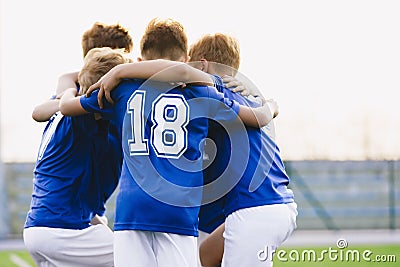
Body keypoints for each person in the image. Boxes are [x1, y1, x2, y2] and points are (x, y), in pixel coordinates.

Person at [59, 17, 278, 267]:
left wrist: (109, 74)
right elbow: (258, 117)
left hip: (131, 209)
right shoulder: (203, 91)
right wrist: (271, 103)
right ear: (186, 59)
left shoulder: (121, 90)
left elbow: (66, 107)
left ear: (140, 61)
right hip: (177, 211)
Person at [188, 33, 297, 267]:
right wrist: (271, 104)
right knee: (203, 257)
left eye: (189, 63)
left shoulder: (212, 95)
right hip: (278, 206)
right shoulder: (250, 99)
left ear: (203, 64)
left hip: (255, 210)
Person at [23, 47, 134, 267]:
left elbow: (40, 110)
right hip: (62, 229)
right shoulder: (85, 116)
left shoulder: (60, 112)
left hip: (39, 227)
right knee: (138, 257)